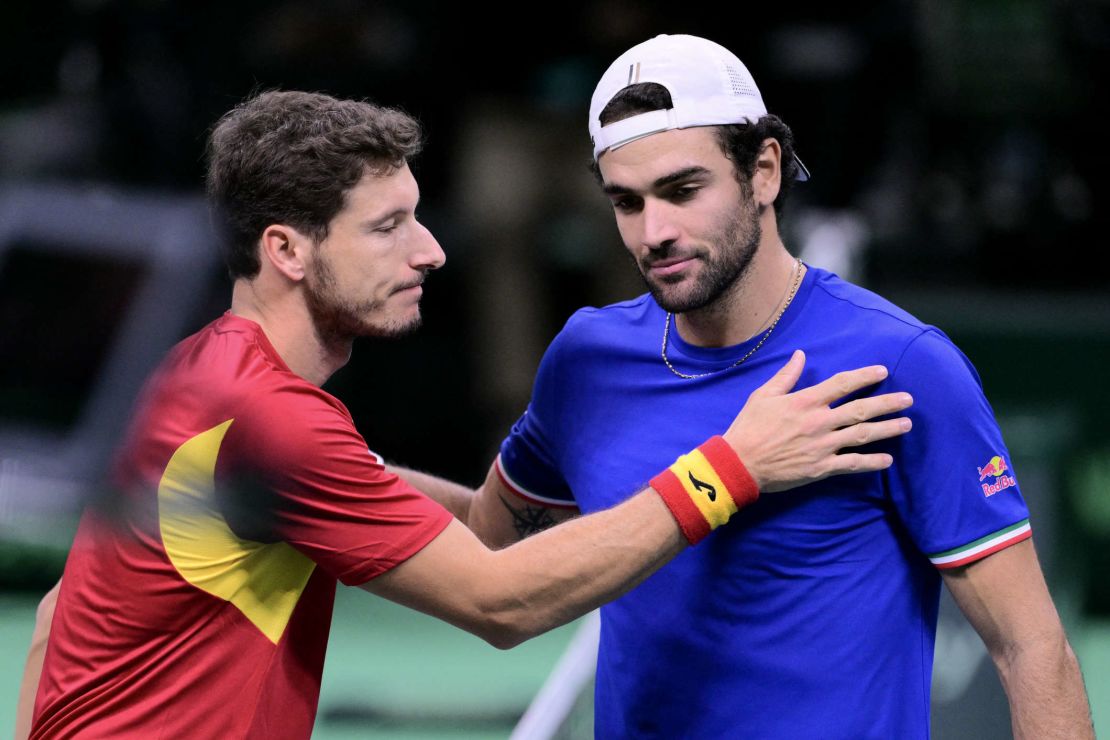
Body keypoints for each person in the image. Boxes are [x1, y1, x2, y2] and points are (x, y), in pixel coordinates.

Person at [16, 90, 914, 739]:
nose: (432, 250)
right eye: (388, 227)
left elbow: (64, 612)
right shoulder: (276, 423)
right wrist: (734, 465)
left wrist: (535, 491)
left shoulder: (199, 378)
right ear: (287, 251)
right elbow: (503, 603)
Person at [432, 35, 1093, 738]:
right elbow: (489, 539)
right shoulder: (587, 360)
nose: (655, 231)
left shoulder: (900, 364)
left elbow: (1032, 649)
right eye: (626, 202)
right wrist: (335, 470)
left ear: (766, 170)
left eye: (684, 190)